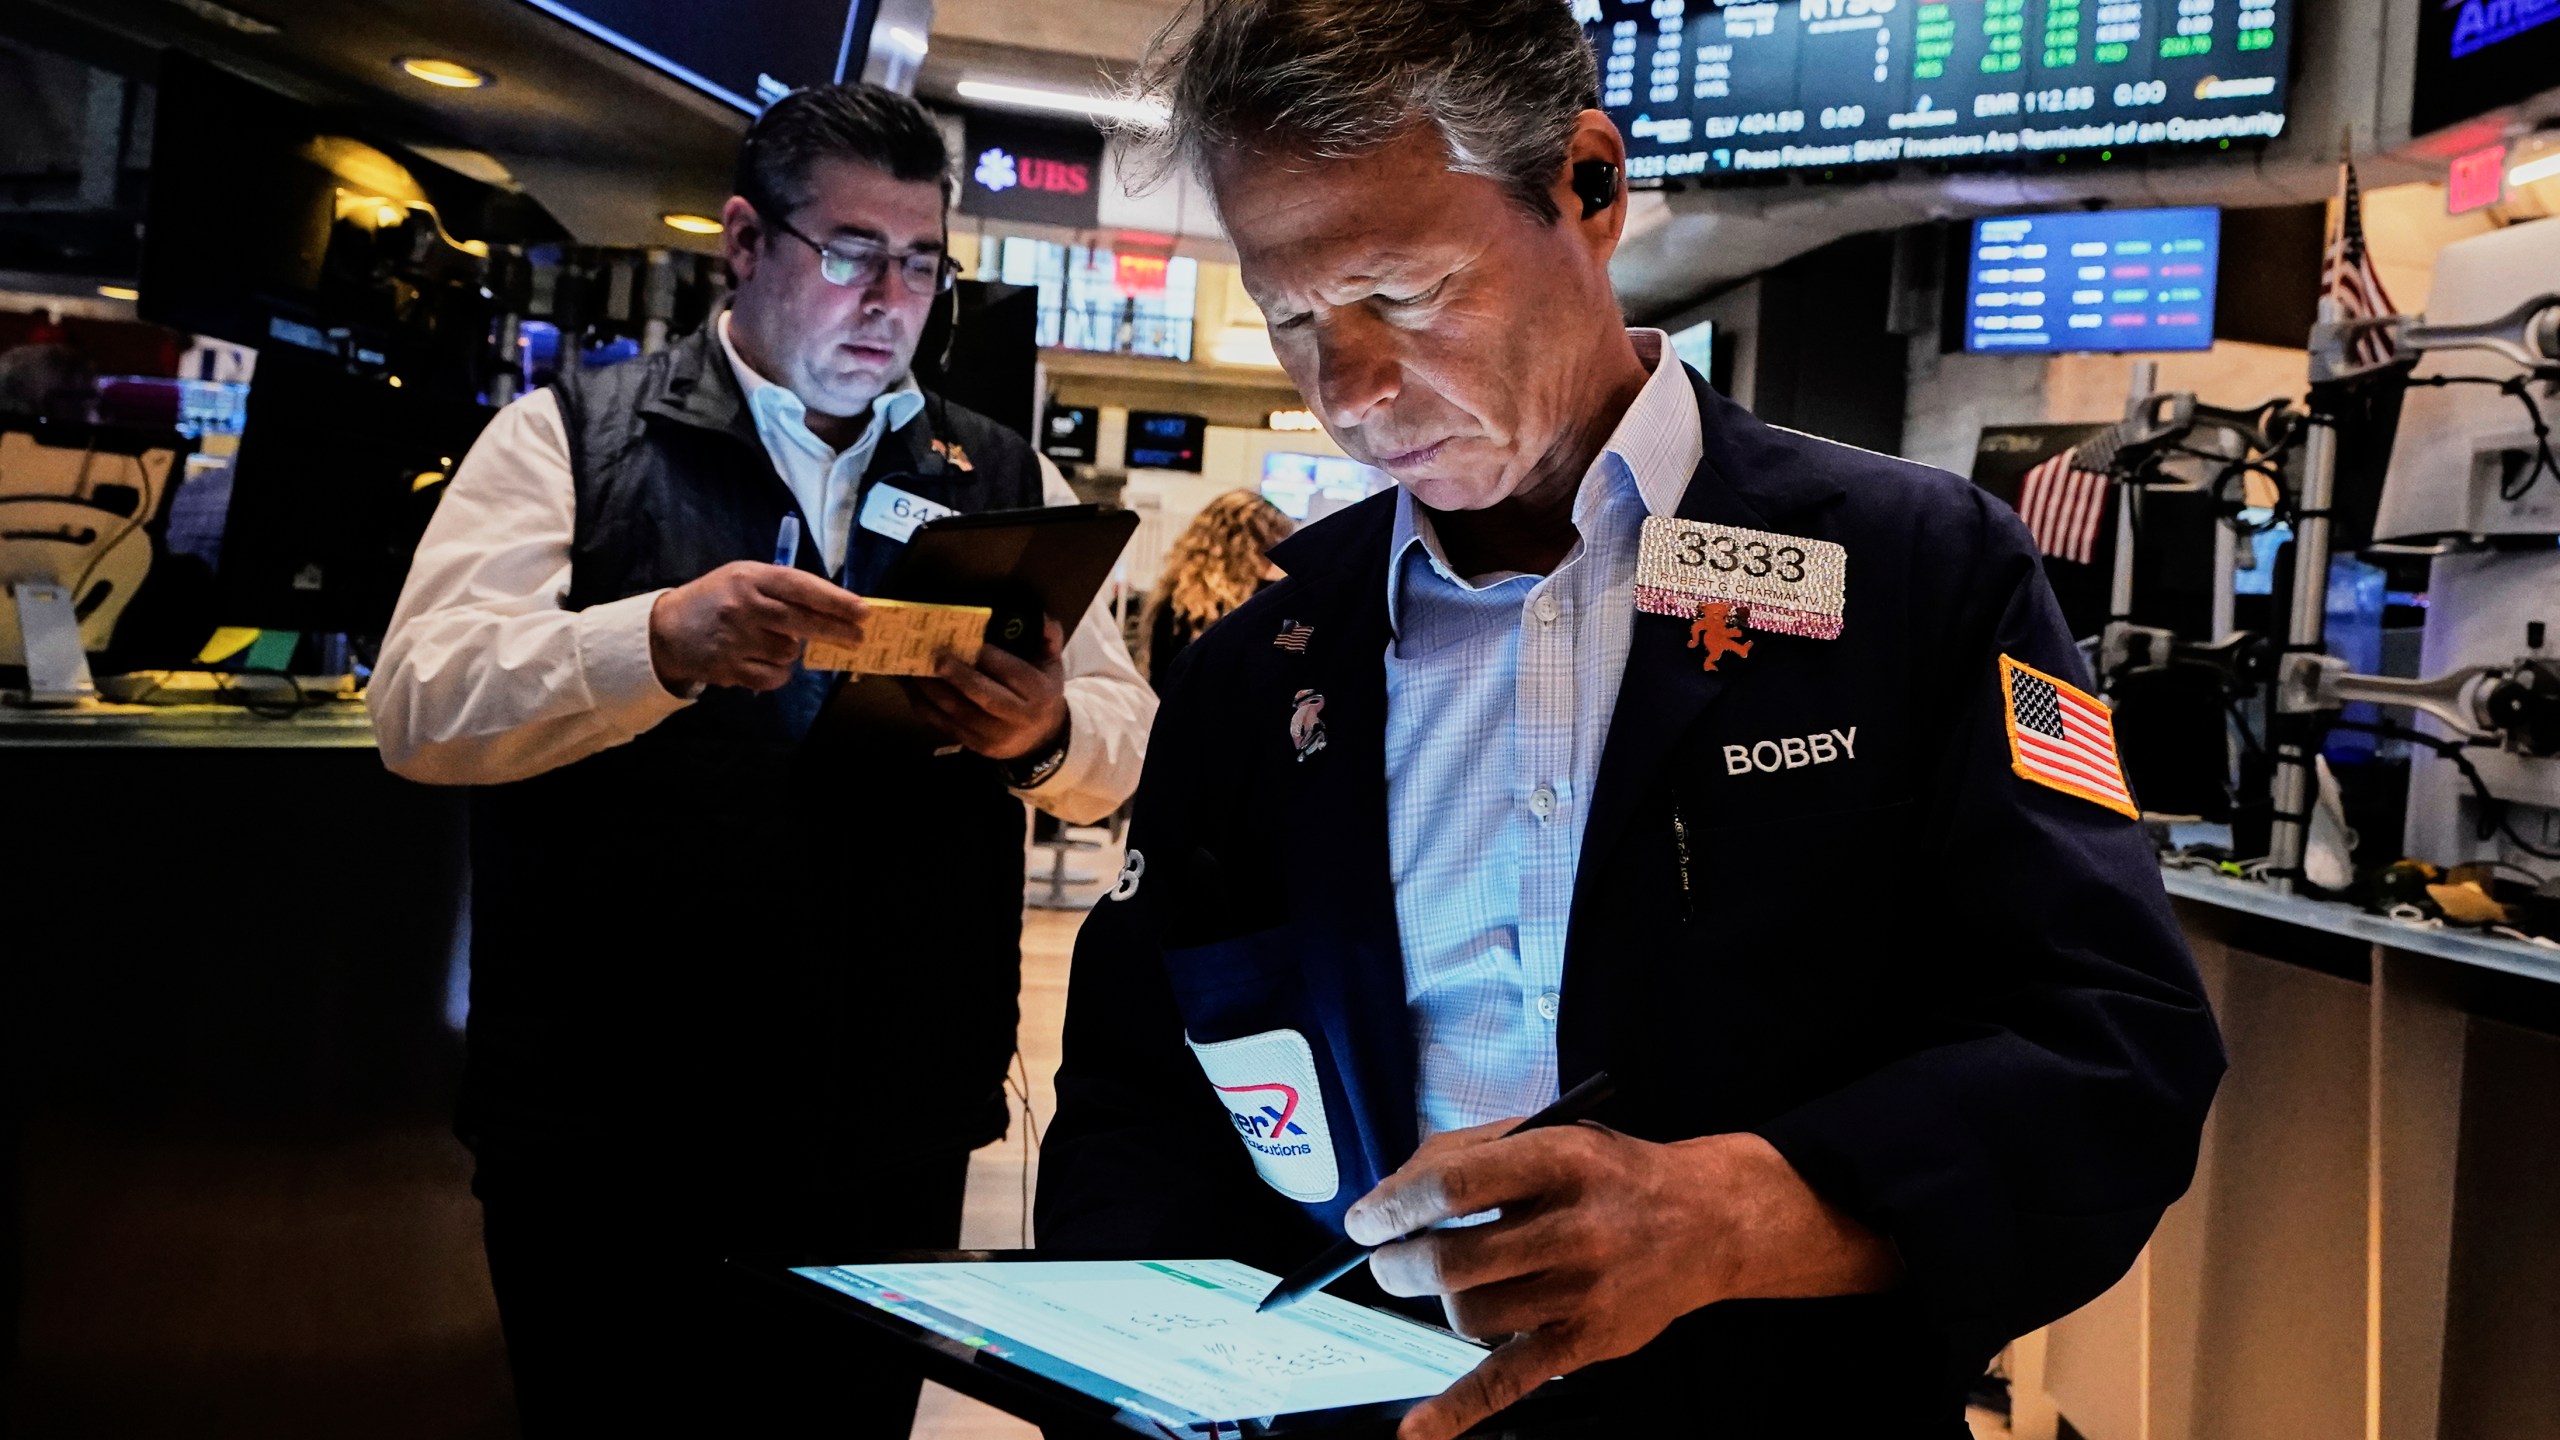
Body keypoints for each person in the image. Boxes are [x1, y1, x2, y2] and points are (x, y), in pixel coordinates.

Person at [1035, 3, 2224, 1436]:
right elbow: (1132, 1096)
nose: (1349, 391)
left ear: (1587, 185)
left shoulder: (1912, 576)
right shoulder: (1265, 654)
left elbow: (2113, 1052)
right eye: (1291, 318)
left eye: (1403, 294)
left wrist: (1728, 1216)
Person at [371, 83, 1154, 1435]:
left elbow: (1128, 743)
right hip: (610, 1125)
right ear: (744, 240)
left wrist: (1045, 737)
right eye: (850, 252)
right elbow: (421, 707)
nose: (888, 299)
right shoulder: (575, 438)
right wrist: (656, 645)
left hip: (886, 1125)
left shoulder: (1000, 471)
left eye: (920, 262)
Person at [1143, 488, 1293, 689]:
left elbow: (1160, 678)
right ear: (1250, 547)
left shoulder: (1177, 599)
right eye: (1273, 545)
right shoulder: (1268, 601)